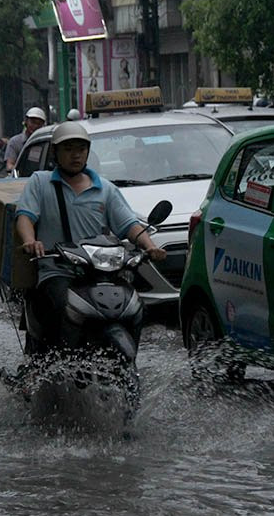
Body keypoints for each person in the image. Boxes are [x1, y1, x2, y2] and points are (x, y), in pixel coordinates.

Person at [15, 121, 166, 348]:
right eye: (68, 149)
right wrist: (30, 241)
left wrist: (149, 246)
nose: (75, 155)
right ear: (56, 152)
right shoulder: (40, 182)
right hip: (58, 270)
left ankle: (129, 361)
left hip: (99, 272)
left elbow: (129, 225)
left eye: (81, 149)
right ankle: (52, 361)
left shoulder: (105, 188)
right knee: (58, 304)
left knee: (134, 306)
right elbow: (25, 216)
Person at [4, 107, 47, 172]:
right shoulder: (15, 142)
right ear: (26, 121)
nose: (35, 126)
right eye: (33, 122)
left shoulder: (45, 142)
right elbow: (9, 165)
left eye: (38, 124)